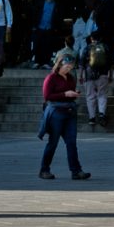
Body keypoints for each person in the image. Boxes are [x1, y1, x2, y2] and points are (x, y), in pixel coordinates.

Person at [37, 49, 91, 180]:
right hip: (56, 113)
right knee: (53, 142)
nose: (69, 68)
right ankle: (44, 169)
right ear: (60, 64)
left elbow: (70, 93)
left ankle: (76, 171)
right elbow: (47, 96)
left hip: (70, 112)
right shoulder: (51, 78)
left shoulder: (70, 78)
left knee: (71, 142)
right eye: (67, 66)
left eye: (71, 66)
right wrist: (65, 94)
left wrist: (74, 94)